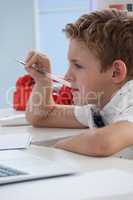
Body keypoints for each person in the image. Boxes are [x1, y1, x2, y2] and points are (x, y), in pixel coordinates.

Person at [25, 9, 133, 157]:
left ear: (116, 72)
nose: (67, 76)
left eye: (78, 66)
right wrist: (43, 81)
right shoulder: (100, 104)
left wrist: (54, 149)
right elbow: (41, 115)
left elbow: (102, 143)